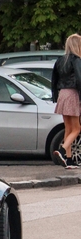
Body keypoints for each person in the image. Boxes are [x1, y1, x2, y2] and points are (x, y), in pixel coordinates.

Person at [51, 33, 81, 169]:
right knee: (77, 128)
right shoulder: (77, 60)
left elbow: (54, 80)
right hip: (73, 93)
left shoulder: (60, 60)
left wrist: (55, 96)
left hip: (62, 94)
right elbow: (80, 80)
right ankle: (62, 150)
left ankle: (69, 160)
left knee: (68, 128)